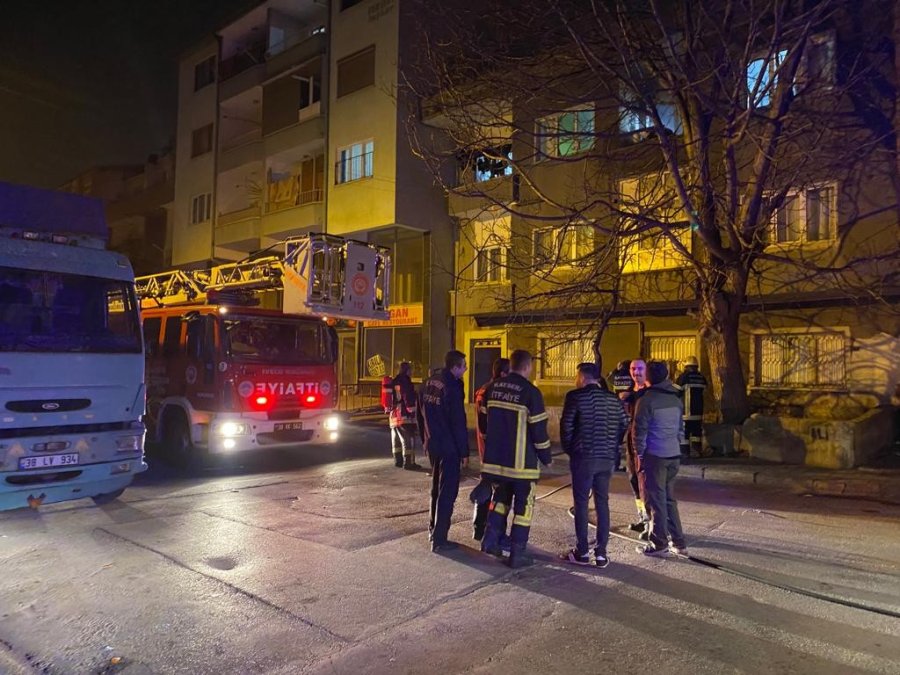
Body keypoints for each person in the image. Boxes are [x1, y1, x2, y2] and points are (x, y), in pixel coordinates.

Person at [479, 350, 552, 568]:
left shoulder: (492, 388)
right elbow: (539, 431)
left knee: (500, 501)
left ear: (511, 365)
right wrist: (546, 457)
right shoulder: (531, 393)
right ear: (528, 367)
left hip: (496, 463)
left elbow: (483, 424)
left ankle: (490, 541)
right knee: (523, 509)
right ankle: (517, 553)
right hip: (522, 466)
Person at [560, 362, 630, 568]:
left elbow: (566, 427)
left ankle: (582, 551)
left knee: (581, 504)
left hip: (584, 457)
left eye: (576, 376)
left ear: (582, 377)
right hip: (607, 458)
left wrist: (571, 449)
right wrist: (612, 445)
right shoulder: (613, 399)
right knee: (602, 502)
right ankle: (601, 553)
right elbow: (624, 422)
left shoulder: (575, 396)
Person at [632, 360, 687, 557]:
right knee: (669, 499)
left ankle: (659, 543)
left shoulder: (647, 401)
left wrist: (639, 455)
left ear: (648, 377)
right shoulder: (675, 399)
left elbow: (639, 433)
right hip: (673, 454)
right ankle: (679, 542)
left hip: (655, 456)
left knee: (656, 501)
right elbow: (681, 429)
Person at [420, 351, 469, 552]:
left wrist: (425, 440)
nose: (465, 369)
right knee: (448, 491)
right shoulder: (452, 387)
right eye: (463, 365)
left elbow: (420, 414)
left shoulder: (428, 382)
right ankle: (440, 539)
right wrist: (464, 452)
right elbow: (458, 422)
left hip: (434, 444)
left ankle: (433, 529)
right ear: (454, 367)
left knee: (435, 488)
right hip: (449, 447)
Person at [470, 357, 511, 541]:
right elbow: (492, 424)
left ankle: (478, 529)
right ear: (503, 373)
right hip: (496, 451)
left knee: (486, 488)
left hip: (485, 449)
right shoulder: (497, 392)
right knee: (501, 494)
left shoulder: (483, 389)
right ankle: (496, 533)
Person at [623, 359, 651, 534]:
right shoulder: (627, 393)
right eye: (633, 369)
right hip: (630, 443)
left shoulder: (649, 393)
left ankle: (652, 522)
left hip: (645, 444)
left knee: (646, 484)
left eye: (640, 369)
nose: (636, 372)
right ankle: (642, 517)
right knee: (634, 480)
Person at [388, 362, 420, 470]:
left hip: (393, 415)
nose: (412, 372)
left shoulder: (394, 381)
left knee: (396, 439)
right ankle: (409, 463)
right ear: (407, 370)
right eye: (411, 370)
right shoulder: (405, 381)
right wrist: (412, 410)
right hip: (404, 415)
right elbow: (407, 396)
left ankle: (398, 461)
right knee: (408, 439)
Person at [675, 356, 708, 458]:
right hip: (698, 411)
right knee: (696, 433)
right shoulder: (701, 378)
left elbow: (676, 392)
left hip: (686, 411)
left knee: (685, 433)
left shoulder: (684, 377)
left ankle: (685, 452)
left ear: (686, 366)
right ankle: (697, 450)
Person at [608, 360, 634, 471]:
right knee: (632, 441)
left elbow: (608, 377)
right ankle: (632, 466)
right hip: (629, 411)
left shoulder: (614, 376)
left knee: (616, 441)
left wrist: (616, 369)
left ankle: (615, 464)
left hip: (616, 411)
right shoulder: (631, 377)